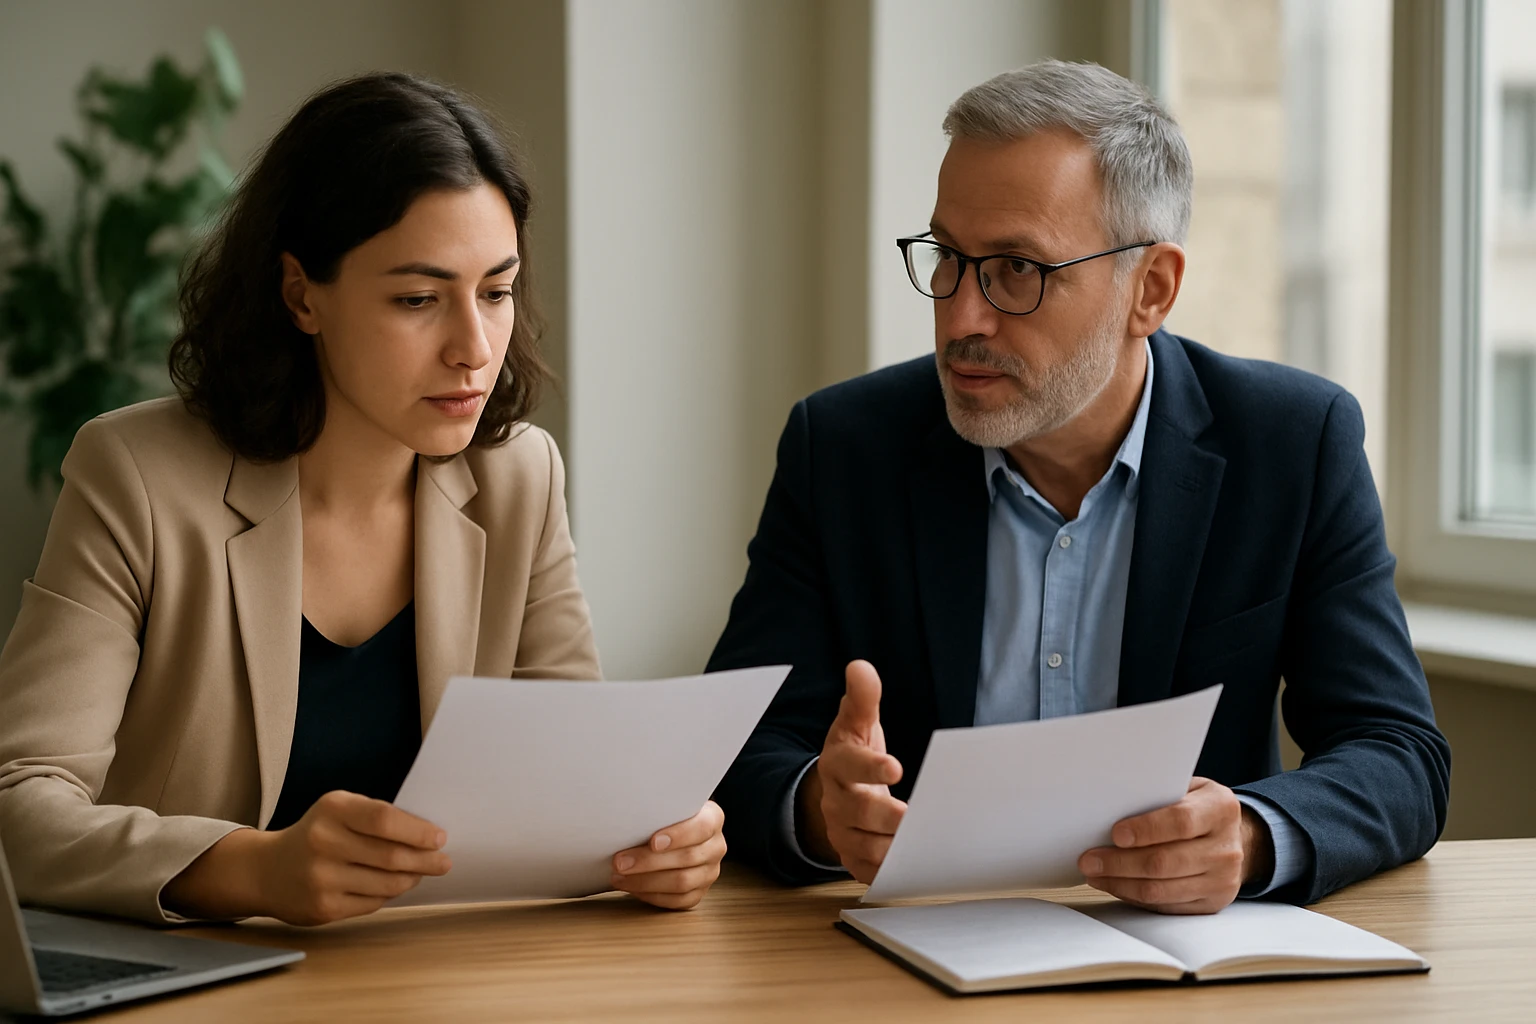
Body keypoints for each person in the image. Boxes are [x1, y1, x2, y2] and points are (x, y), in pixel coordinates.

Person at [709, 60, 1450, 913]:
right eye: (947, 257)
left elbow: (1398, 754)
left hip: (1178, 964)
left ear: (1152, 289)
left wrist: (1249, 835)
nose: (962, 317)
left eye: (1017, 270)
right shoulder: (843, 448)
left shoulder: (1290, 444)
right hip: (912, 955)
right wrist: (819, 809)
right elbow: (738, 750)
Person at [0, 72, 725, 926]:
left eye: (496, 293)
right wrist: (256, 870)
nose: (475, 349)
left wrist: (660, 839)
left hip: (432, 975)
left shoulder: (520, 478)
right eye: (418, 300)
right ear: (302, 293)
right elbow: (20, 802)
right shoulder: (136, 475)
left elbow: (564, 790)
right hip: (197, 979)